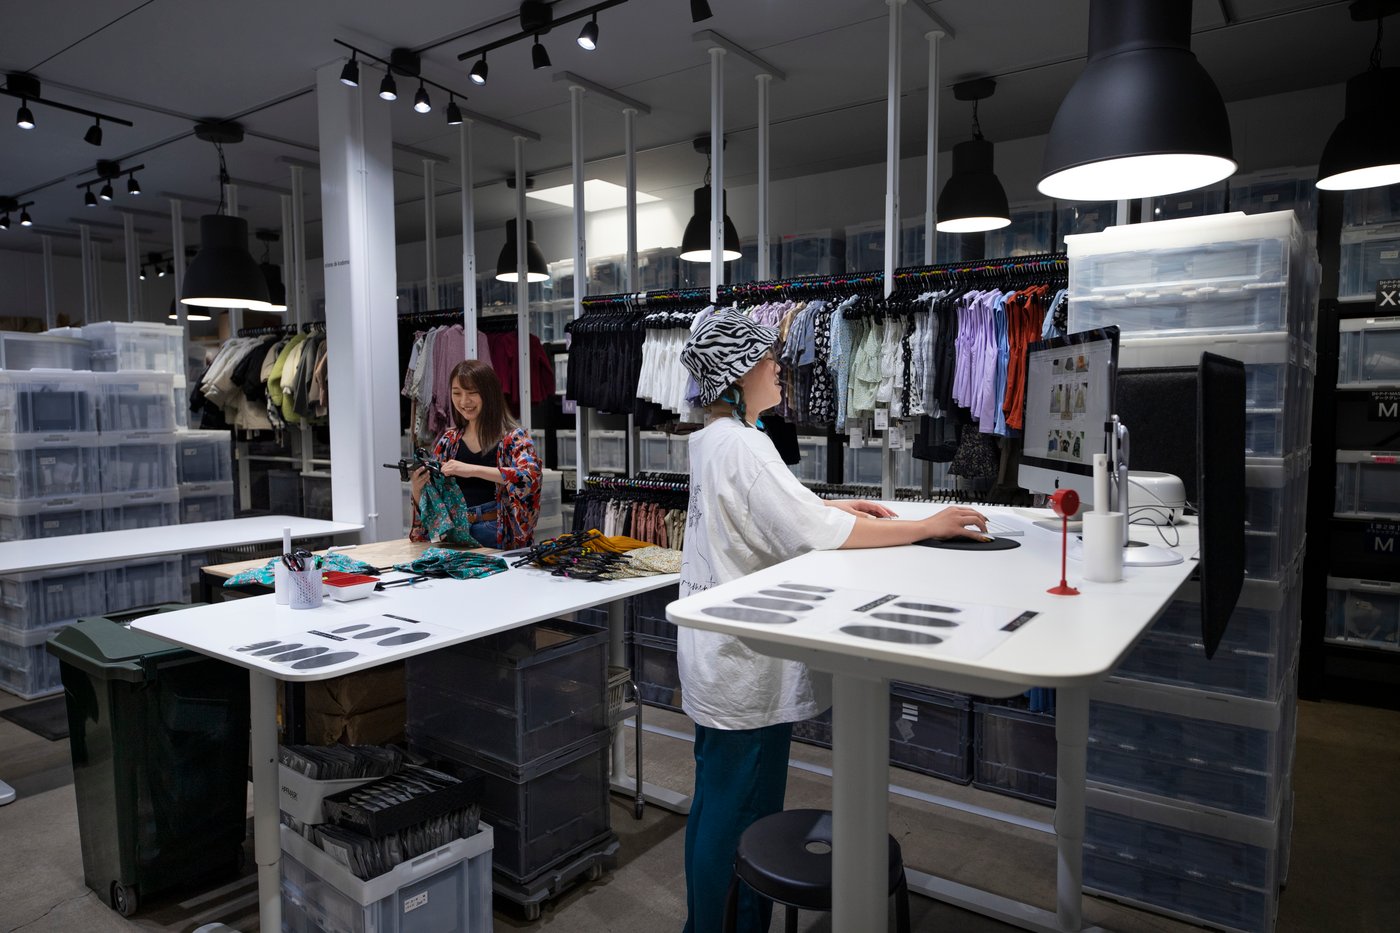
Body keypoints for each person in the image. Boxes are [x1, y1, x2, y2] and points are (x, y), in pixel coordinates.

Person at [676, 311, 989, 933]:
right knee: (742, 811)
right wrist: (926, 525)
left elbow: (768, 510)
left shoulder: (711, 438)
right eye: (769, 362)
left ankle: (704, 925)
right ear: (739, 376)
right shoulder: (747, 444)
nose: (781, 373)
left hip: (716, 651)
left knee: (714, 803)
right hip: (748, 659)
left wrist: (824, 502)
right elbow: (818, 534)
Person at [410, 358, 542, 549]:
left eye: (472, 393)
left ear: (489, 394)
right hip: (455, 531)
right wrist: (417, 487)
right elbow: (433, 497)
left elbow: (530, 476)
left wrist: (470, 469)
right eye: (457, 393)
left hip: (495, 529)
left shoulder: (513, 438)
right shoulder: (449, 440)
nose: (464, 401)